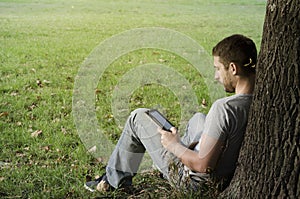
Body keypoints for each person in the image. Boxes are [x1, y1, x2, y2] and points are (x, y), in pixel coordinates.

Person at [84, 34, 257, 193]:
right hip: (224, 174)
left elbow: (204, 165)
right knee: (198, 119)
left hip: (193, 182)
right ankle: (172, 155)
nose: (216, 76)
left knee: (138, 117)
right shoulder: (259, 101)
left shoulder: (224, 108)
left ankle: (113, 183)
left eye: (218, 69)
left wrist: (173, 145)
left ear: (233, 68)